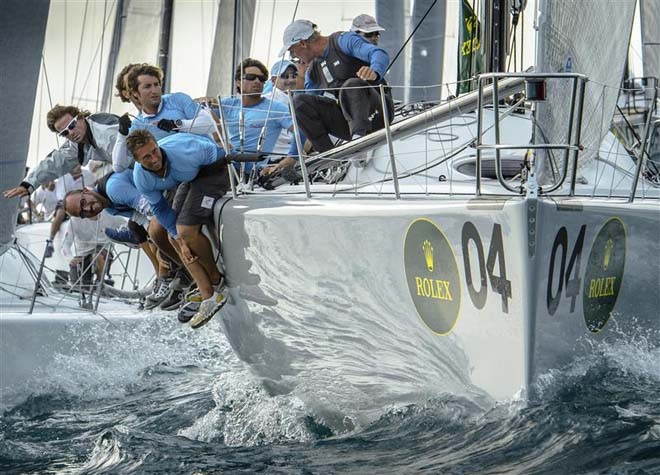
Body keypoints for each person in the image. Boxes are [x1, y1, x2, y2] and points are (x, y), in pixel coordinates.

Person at [127, 129, 229, 328]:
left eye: (155, 151)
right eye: (146, 157)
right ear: (137, 161)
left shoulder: (185, 152)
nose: (154, 158)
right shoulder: (141, 177)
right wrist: (178, 240)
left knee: (186, 231)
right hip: (189, 178)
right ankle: (207, 292)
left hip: (213, 168)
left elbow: (221, 156)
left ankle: (216, 281)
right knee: (174, 236)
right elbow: (160, 208)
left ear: (158, 145)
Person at [64, 171, 190, 311]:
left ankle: (181, 273)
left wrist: (169, 245)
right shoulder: (110, 208)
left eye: (83, 202)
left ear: (86, 190)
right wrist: (156, 245)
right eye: (83, 213)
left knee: (155, 231)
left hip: (173, 187)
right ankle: (167, 277)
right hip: (160, 201)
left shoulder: (114, 189)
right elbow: (140, 218)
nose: (88, 209)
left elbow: (152, 211)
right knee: (136, 227)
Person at [278, 19, 394, 155]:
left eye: (292, 51)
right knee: (298, 102)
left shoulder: (342, 41)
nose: (294, 56)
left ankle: (359, 144)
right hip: (349, 122)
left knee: (351, 84)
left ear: (303, 43)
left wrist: (374, 71)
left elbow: (378, 54)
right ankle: (330, 158)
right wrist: (293, 154)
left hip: (379, 113)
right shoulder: (313, 71)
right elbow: (304, 113)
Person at [112, 63, 216, 173]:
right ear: (135, 93)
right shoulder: (138, 125)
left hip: (210, 163)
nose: (154, 90)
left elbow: (211, 124)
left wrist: (177, 125)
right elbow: (118, 167)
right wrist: (122, 134)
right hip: (182, 175)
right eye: (147, 86)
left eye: (156, 84)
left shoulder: (178, 99)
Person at [218, 58, 302, 178]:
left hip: (250, 173)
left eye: (261, 79)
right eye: (251, 77)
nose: (257, 81)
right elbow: (200, 112)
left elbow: (302, 130)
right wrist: (218, 138)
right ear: (237, 82)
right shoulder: (228, 104)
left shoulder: (275, 107)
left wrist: (292, 157)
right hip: (225, 164)